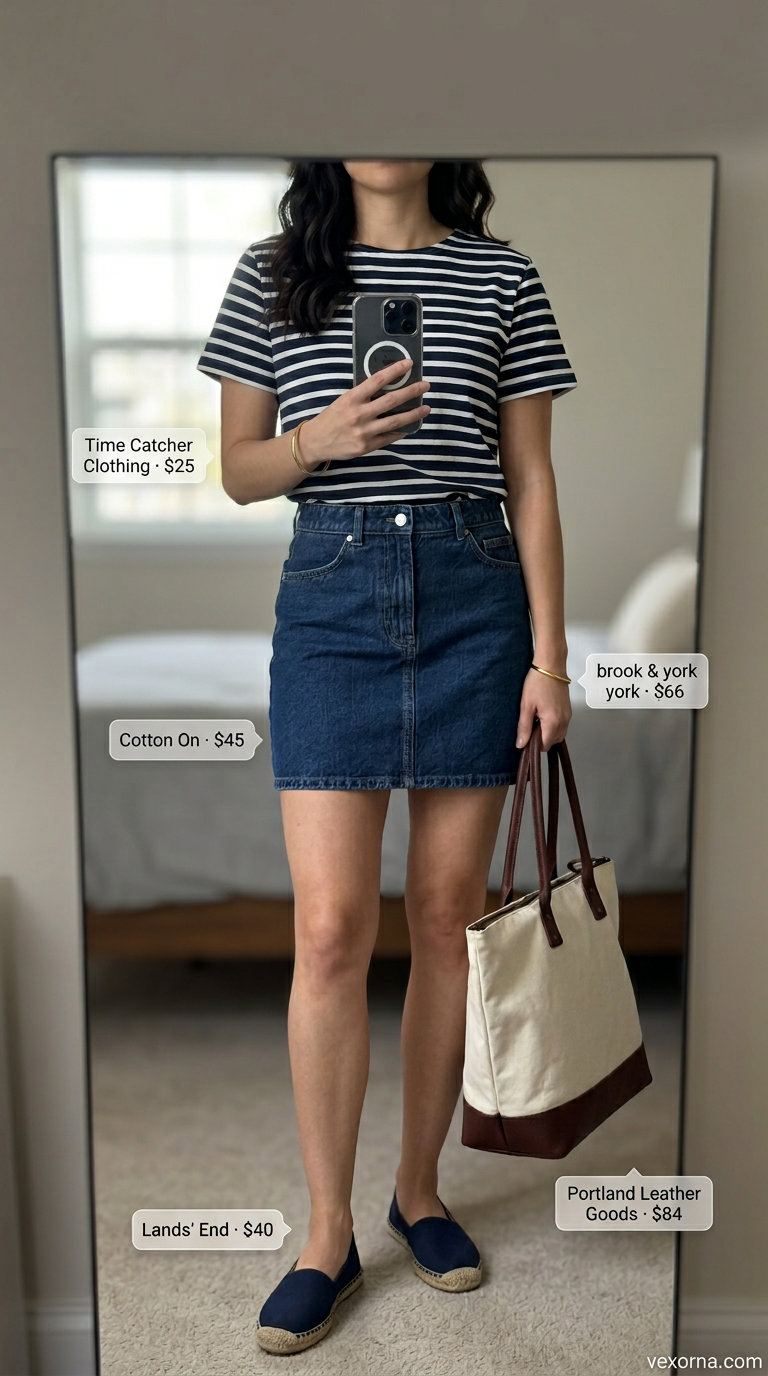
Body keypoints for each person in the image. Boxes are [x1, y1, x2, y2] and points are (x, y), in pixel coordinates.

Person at [197, 158, 576, 1354]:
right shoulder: (275, 272)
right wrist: (323, 433)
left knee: (451, 909)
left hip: (475, 598)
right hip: (331, 597)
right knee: (329, 929)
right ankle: (326, 1232)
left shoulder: (505, 275)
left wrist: (552, 659)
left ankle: (418, 1192)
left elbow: (530, 477)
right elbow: (239, 466)